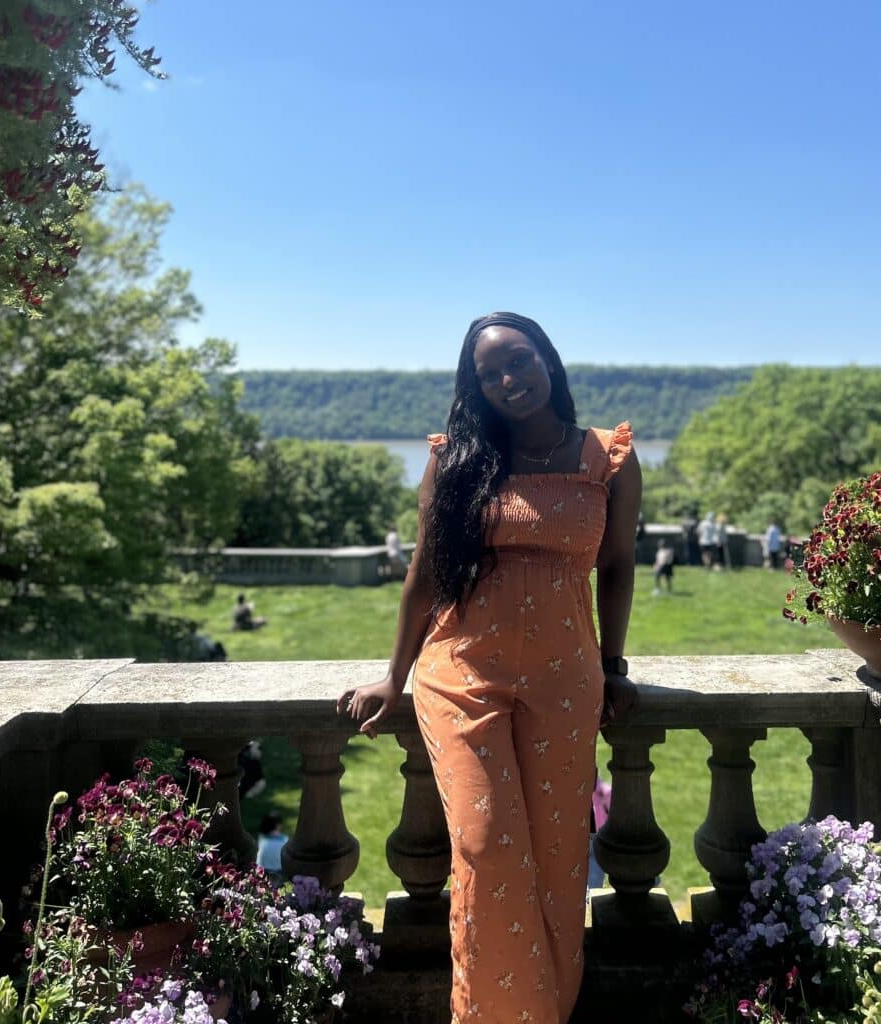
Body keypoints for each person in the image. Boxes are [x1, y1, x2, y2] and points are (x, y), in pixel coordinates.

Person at [337, 312, 641, 1024]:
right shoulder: (458, 459)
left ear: (547, 359)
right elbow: (424, 572)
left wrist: (614, 665)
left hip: (565, 677)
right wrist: (393, 676)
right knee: (484, 845)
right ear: (476, 388)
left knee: (559, 856)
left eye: (519, 360)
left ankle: (547, 1011)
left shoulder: (607, 458)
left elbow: (619, 566)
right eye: (490, 373)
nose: (509, 379)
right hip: (463, 672)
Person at [255, 810, 288, 877]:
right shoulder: (284, 840)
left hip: (264, 873)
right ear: (278, 825)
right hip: (280, 873)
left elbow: (259, 861)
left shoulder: (262, 840)